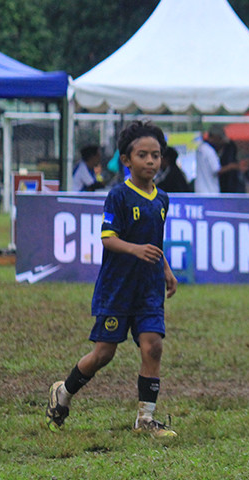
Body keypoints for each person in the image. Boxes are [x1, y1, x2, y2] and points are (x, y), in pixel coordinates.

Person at [44, 120, 178, 438]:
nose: (150, 161)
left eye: (156, 155)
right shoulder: (118, 196)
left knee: (153, 346)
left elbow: (154, 244)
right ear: (127, 160)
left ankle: (145, 420)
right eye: (142, 155)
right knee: (104, 353)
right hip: (117, 288)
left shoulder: (162, 199)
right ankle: (62, 393)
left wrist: (166, 270)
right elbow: (108, 238)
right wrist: (135, 249)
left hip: (147, 289)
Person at [194, 126, 232, 194]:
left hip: (200, 191)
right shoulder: (209, 151)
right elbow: (217, 170)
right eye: (219, 139)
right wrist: (233, 166)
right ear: (214, 137)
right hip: (210, 192)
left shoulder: (201, 148)